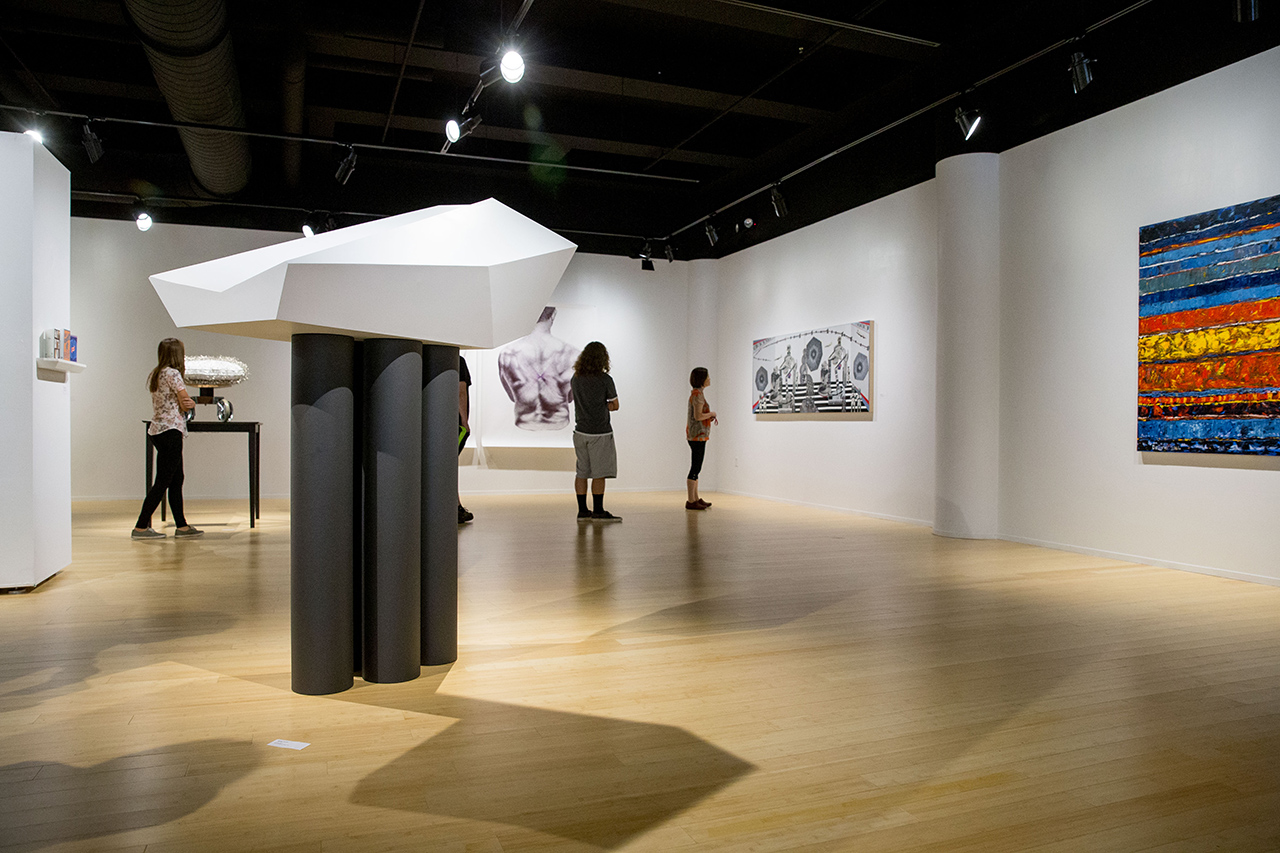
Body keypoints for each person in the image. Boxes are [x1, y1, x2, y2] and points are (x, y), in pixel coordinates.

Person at [133, 338, 202, 540]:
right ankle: (140, 527)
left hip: (158, 429)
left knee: (176, 478)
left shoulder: (157, 373)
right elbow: (185, 401)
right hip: (171, 430)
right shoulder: (173, 373)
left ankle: (181, 526)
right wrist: (192, 403)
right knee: (163, 481)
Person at [498, 306, 579, 431]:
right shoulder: (573, 354)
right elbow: (570, 398)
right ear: (553, 315)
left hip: (524, 422)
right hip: (559, 421)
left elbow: (512, 396)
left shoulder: (508, 353)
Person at [571, 341, 621, 522]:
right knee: (599, 473)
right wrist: (605, 405)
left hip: (580, 431)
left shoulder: (575, 378)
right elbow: (615, 405)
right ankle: (598, 510)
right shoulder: (605, 379)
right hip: (599, 432)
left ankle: (583, 510)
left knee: (582, 472)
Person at [686, 367, 717, 510]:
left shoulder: (698, 394)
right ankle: (691, 500)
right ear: (702, 379)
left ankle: (695, 498)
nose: (709, 378)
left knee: (697, 468)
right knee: (695, 467)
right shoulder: (698, 395)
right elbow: (698, 416)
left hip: (698, 435)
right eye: (707, 376)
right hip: (697, 435)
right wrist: (711, 413)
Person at [458, 354, 474, 524]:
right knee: (449, 466)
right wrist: (464, 421)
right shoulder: (459, 361)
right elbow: (461, 391)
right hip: (456, 425)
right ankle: (455, 507)